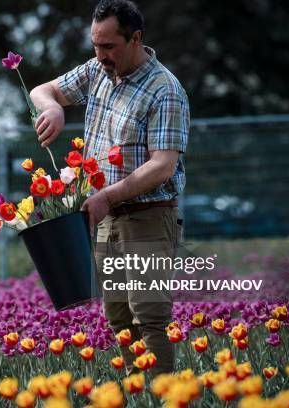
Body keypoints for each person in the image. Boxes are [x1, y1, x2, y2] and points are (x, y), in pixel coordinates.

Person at [29, 0, 189, 375]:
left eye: (109, 46)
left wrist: (107, 196)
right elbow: (42, 90)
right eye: (95, 45)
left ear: (135, 39)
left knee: (149, 319)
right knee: (118, 319)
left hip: (147, 216)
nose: (100, 55)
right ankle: (136, 393)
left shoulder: (164, 90)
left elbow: (163, 165)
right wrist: (52, 108)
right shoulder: (98, 70)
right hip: (105, 217)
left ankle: (164, 397)